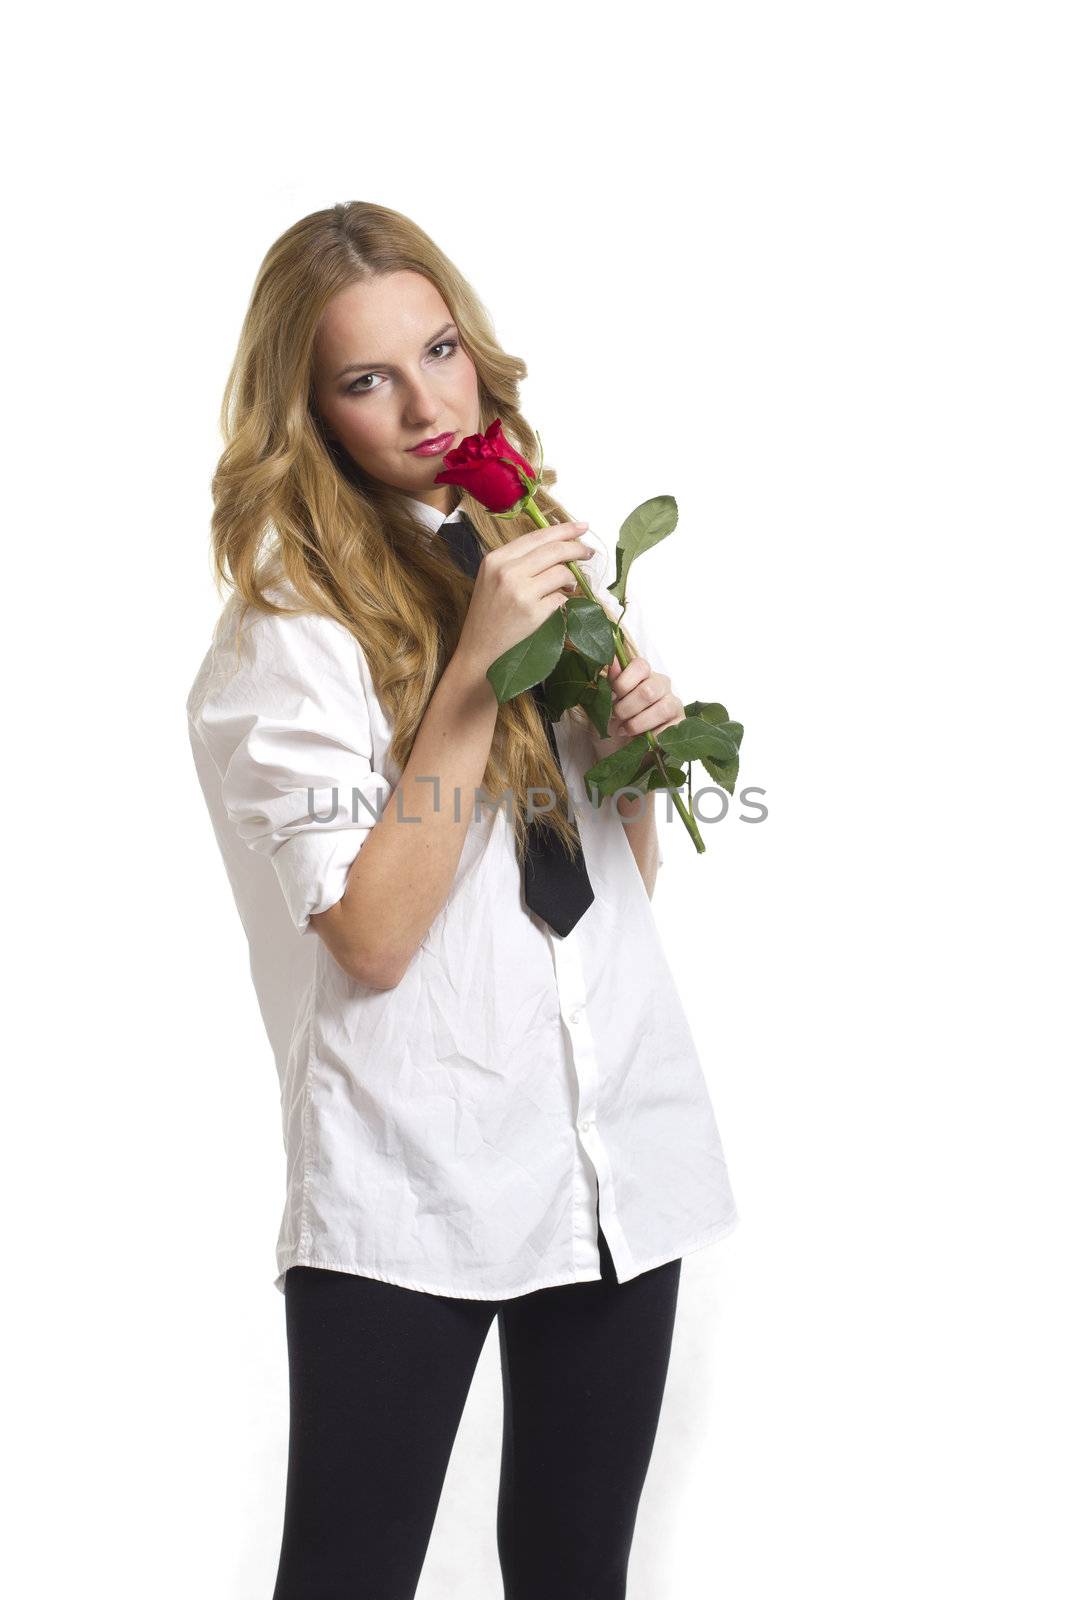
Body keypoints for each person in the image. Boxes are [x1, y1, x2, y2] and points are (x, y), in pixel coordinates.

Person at [186, 200, 739, 1600]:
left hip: (614, 1150)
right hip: (412, 1170)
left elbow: (617, 888)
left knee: (575, 1573)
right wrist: (480, 674)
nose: (429, 404)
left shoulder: (530, 544)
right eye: (368, 379)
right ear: (307, 412)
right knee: (350, 1575)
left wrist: (624, 762)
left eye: (440, 351)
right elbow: (371, 935)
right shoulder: (287, 631)